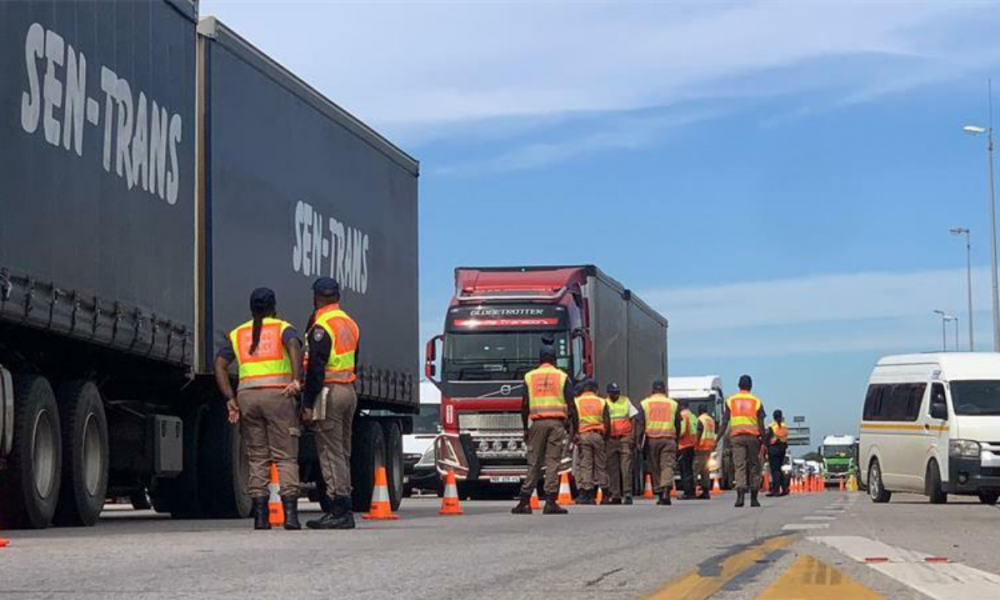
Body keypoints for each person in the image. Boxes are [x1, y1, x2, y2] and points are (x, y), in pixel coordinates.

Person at [214, 288, 303, 530]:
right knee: (285, 456)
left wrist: (229, 397)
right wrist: (296, 380)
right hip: (278, 396)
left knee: (257, 457)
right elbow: (294, 346)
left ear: (251, 308)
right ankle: (291, 517)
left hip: (247, 398)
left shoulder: (238, 333)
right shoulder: (283, 328)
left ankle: (261, 518)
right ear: (274, 306)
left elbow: (220, 365)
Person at [301, 278, 361, 530]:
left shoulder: (321, 326)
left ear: (316, 297)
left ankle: (339, 508)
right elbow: (355, 359)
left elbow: (315, 367)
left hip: (330, 391)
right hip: (348, 389)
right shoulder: (350, 323)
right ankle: (344, 503)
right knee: (343, 451)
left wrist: (307, 402)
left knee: (329, 451)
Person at [512, 345, 576, 515]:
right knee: (552, 462)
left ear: (540, 359)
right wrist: (573, 428)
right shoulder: (562, 377)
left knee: (534, 462)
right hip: (556, 424)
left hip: (537, 423)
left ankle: (524, 502)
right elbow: (571, 404)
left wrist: (525, 428)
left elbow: (524, 404)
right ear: (554, 360)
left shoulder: (530, 376)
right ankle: (550, 502)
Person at [721, 374, 766, 508]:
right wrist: (764, 442)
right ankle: (754, 498)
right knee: (754, 467)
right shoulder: (757, 401)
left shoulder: (730, 400)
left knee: (739, 466)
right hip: (753, 438)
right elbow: (761, 424)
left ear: (739, 385)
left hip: (736, 438)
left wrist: (718, 438)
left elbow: (724, 422)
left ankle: (740, 497)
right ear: (750, 386)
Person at [636, 381, 682, 505]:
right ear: (664, 390)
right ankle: (666, 489)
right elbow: (678, 424)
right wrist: (677, 440)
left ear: (652, 390)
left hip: (652, 440)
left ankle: (660, 493)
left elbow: (640, 424)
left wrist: (638, 441)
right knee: (667, 465)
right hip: (669, 439)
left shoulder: (645, 403)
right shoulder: (673, 404)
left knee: (655, 467)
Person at [573, 379, 610, 505]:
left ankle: (588, 495)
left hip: (583, 435)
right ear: (595, 390)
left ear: (584, 389)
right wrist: (605, 438)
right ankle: (605, 495)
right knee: (601, 465)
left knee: (586, 465)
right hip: (598, 435)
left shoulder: (577, 402)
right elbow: (607, 421)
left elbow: (573, 420)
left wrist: (574, 435)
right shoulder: (602, 401)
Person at [605, 382, 636, 505]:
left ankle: (627, 494)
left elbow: (633, 418)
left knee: (626, 468)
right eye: (613, 393)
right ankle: (616, 495)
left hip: (624, 438)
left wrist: (632, 437)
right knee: (612, 469)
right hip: (611, 439)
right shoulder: (605, 403)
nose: (616, 394)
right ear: (609, 393)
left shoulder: (625, 401)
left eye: (617, 392)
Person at [676, 401, 699, 500]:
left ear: (681, 406)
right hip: (692, 445)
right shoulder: (693, 416)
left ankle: (687, 492)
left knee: (684, 470)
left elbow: (683, 430)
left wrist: (676, 437)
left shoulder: (683, 415)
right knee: (689, 470)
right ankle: (692, 491)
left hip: (684, 445)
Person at [694, 406, 717, 500]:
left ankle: (692, 491)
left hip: (700, 447)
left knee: (695, 470)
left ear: (699, 411)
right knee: (705, 471)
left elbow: (699, 432)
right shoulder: (711, 420)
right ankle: (706, 492)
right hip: (709, 447)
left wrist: (695, 445)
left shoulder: (700, 419)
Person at [765, 409, 789, 497]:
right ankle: (784, 488)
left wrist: (765, 446)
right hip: (782, 450)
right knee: (778, 469)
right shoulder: (785, 426)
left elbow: (767, 439)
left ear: (773, 417)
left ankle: (776, 490)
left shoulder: (772, 426)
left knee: (775, 471)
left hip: (774, 449)